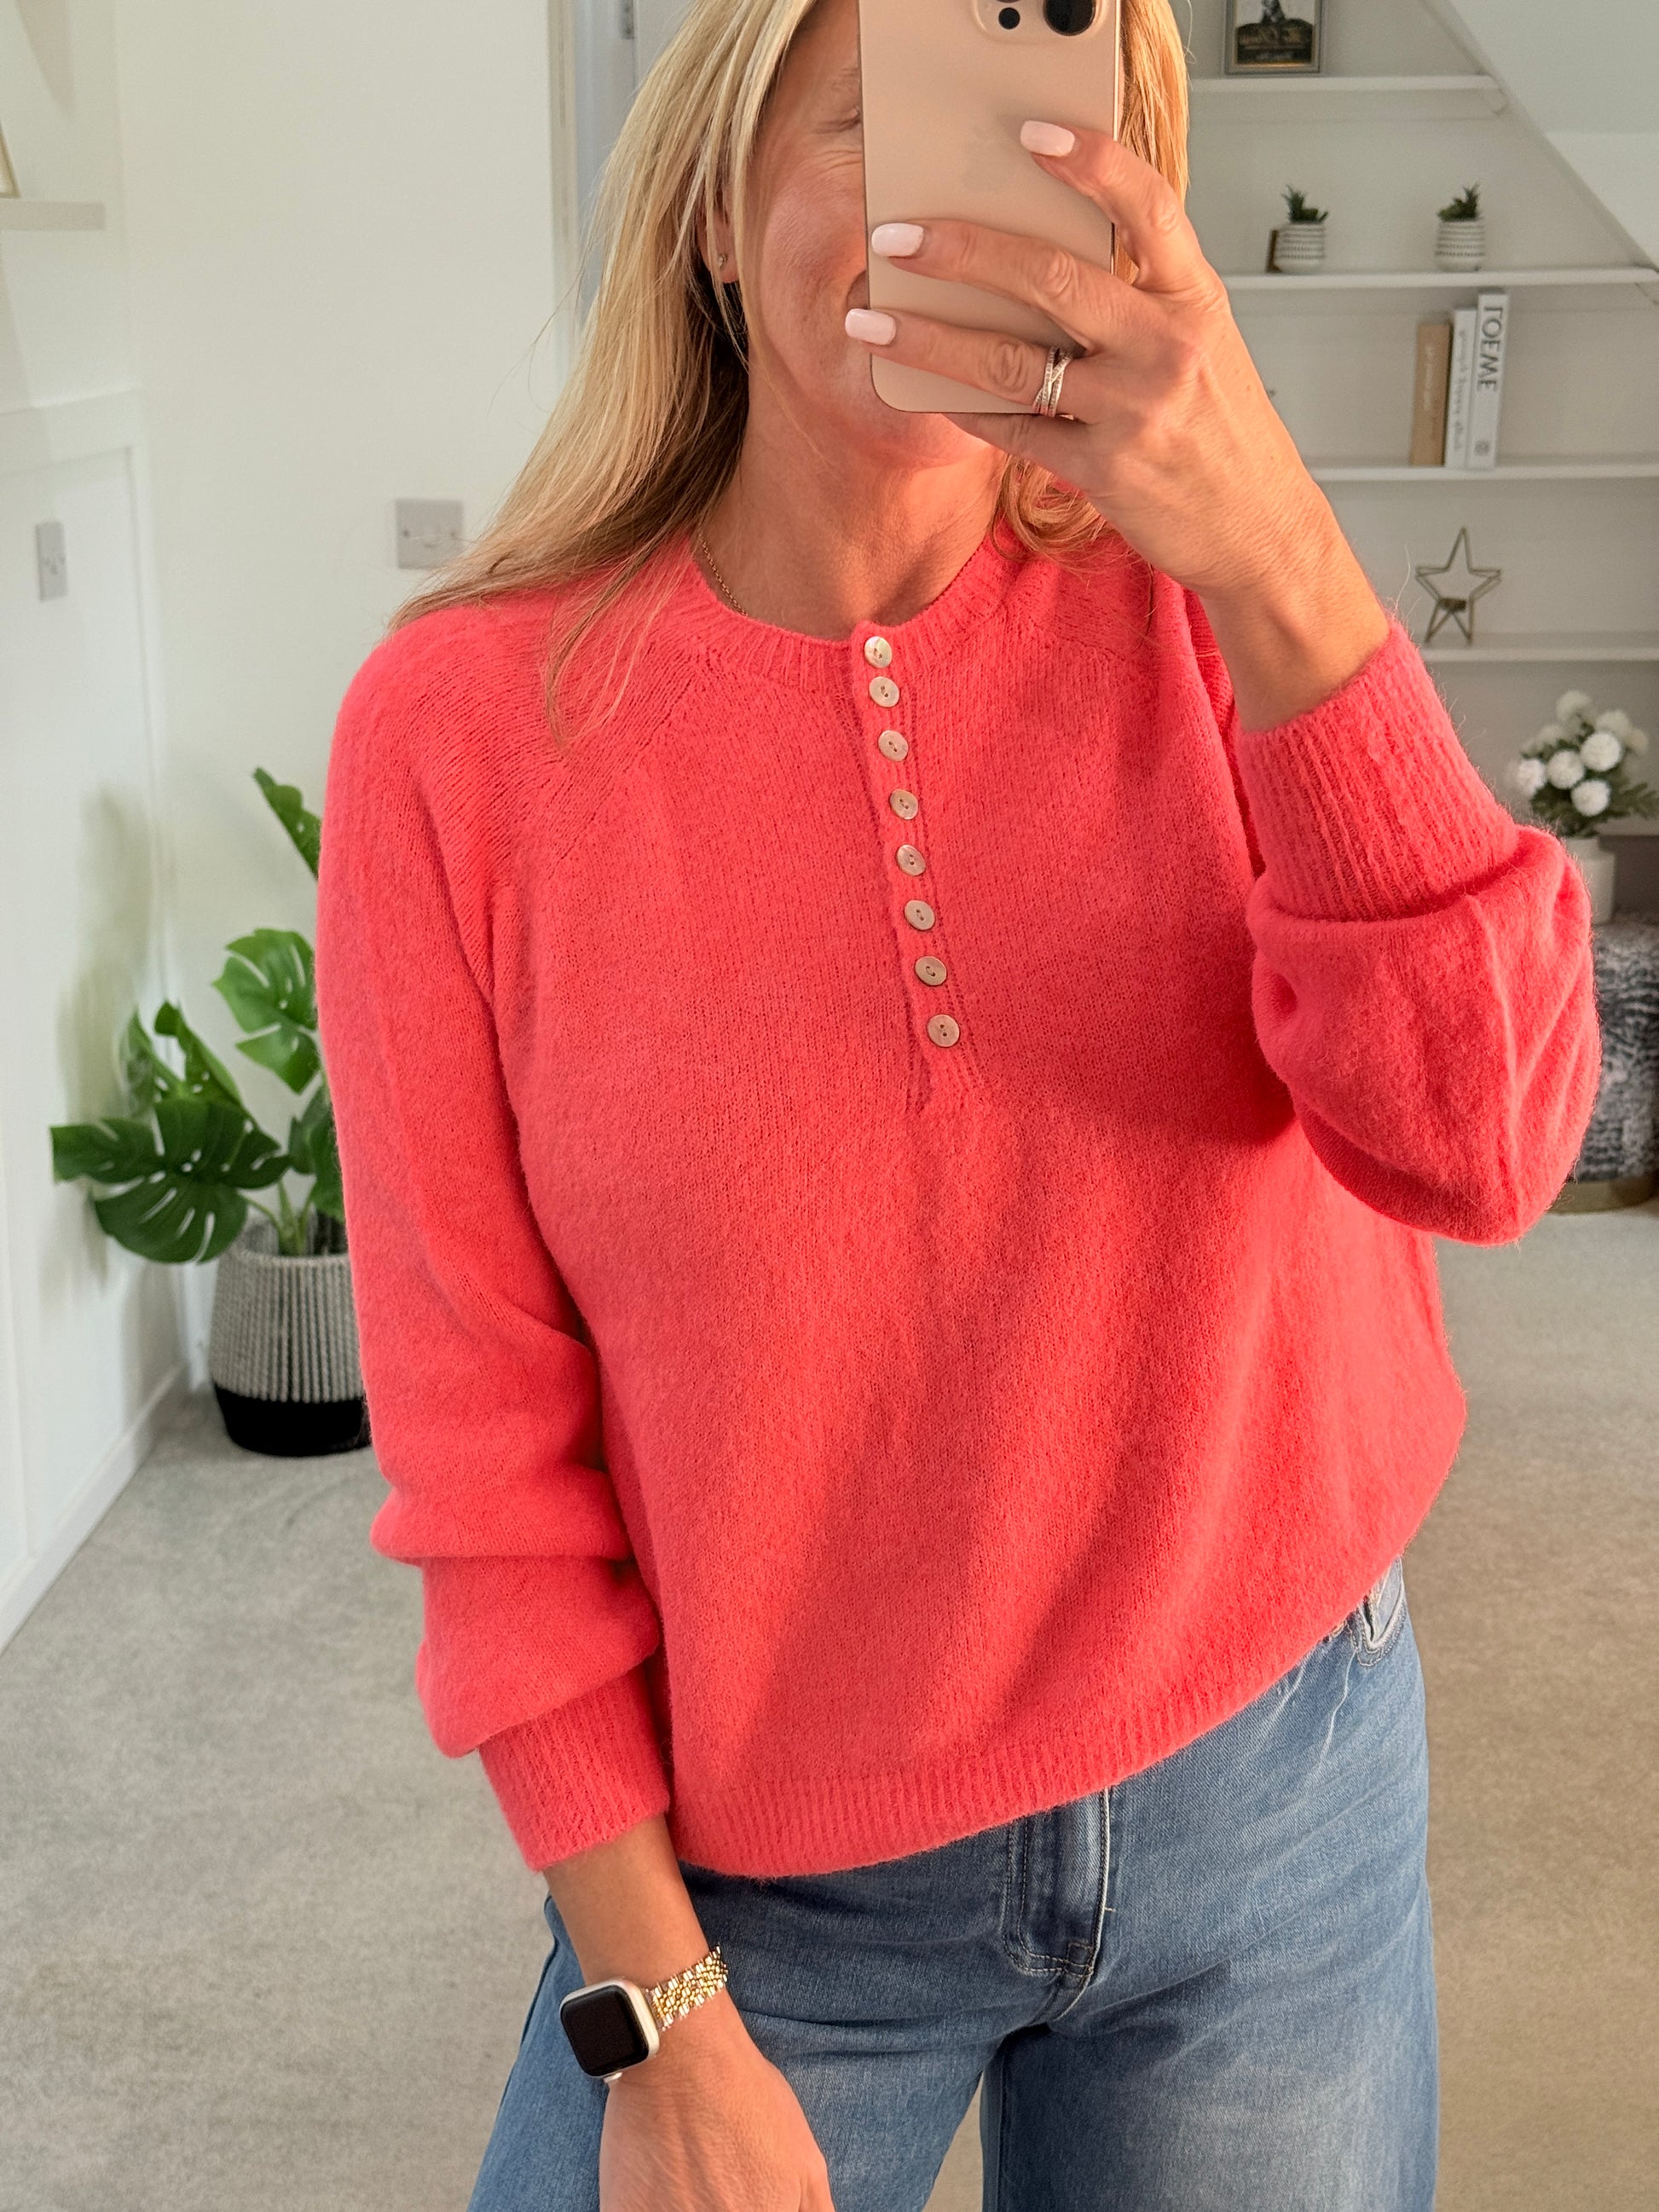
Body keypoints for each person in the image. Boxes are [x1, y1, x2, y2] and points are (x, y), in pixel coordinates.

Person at [313, 0, 1600, 2204]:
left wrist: (1280, 556)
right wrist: (653, 2014)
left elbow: (1483, 1151)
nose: (960, 218)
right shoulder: (460, 737)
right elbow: (483, 1466)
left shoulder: (1221, 602)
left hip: (1271, 1781)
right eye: (881, 128)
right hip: (768, 1891)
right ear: (714, 209)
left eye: (1037, 143)